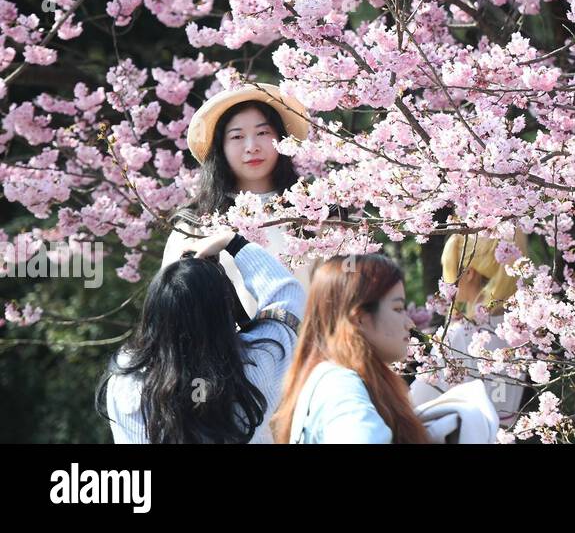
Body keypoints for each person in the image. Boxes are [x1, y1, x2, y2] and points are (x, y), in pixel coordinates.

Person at [97, 228, 304, 443]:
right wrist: (233, 242)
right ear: (222, 310)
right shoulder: (257, 364)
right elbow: (288, 298)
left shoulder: (127, 381)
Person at [271, 253, 498, 444]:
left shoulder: (333, 379)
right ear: (360, 318)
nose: (409, 324)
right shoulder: (340, 385)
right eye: (398, 309)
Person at [161, 82, 312, 318]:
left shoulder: (316, 215)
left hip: (306, 351)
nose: (251, 147)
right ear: (220, 148)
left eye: (263, 133)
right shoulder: (194, 225)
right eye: (237, 136)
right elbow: (174, 309)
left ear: (281, 139)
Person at [409, 232, 528, 428]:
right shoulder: (519, 332)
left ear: (469, 272)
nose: (445, 279)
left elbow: (417, 403)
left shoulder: (461, 334)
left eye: (448, 268)